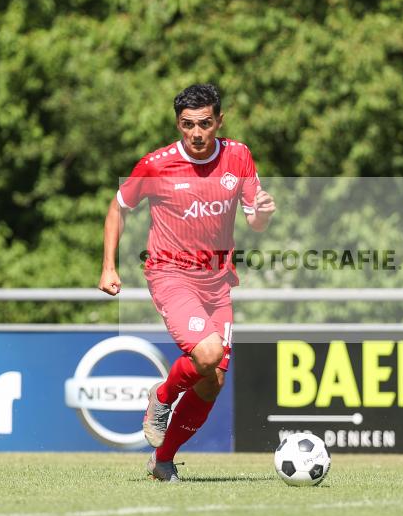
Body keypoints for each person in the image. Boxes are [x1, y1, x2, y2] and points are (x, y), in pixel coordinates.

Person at [99, 83, 275, 482]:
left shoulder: (238, 156)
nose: (196, 133)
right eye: (187, 124)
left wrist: (263, 212)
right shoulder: (157, 164)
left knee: (212, 382)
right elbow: (119, 207)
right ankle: (162, 396)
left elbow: (255, 221)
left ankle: (162, 460)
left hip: (218, 282)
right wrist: (108, 265)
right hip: (170, 274)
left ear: (219, 121)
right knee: (208, 354)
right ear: (178, 123)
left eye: (205, 124)